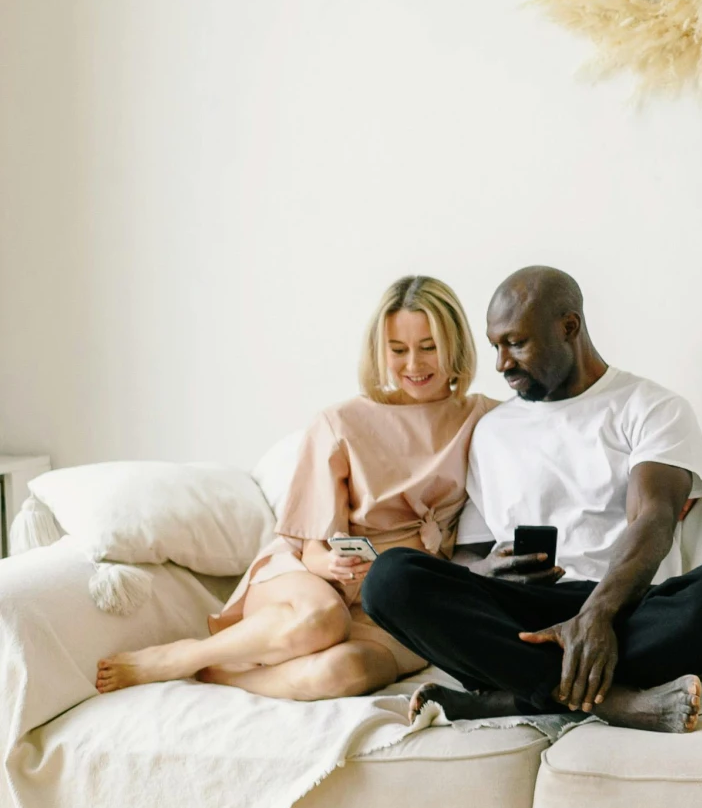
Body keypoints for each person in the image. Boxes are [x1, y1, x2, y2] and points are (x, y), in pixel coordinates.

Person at [362, 266, 702, 733]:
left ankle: (512, 697)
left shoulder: (651, 408)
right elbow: (471, 552)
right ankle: (610, 700)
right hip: (523, 616)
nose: (502, 364)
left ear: (569, 327)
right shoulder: (491, 432)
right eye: (496, 346)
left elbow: (654, 517)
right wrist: (486, 571)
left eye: (516, 343)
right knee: (389, 579)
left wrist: (595, 618)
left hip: (622, 610)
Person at [96, 276, 496, 699]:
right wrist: (335, 568)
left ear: (455, 344)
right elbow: (313, 549)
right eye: (398, 350)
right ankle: (181, 657)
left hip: (400, 603)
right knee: (324, 620)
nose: (414, 365)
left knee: (347, 672)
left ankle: (224, 676)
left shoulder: (484, 418)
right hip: (313, 580)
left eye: (428, 347)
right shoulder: (340, 422)